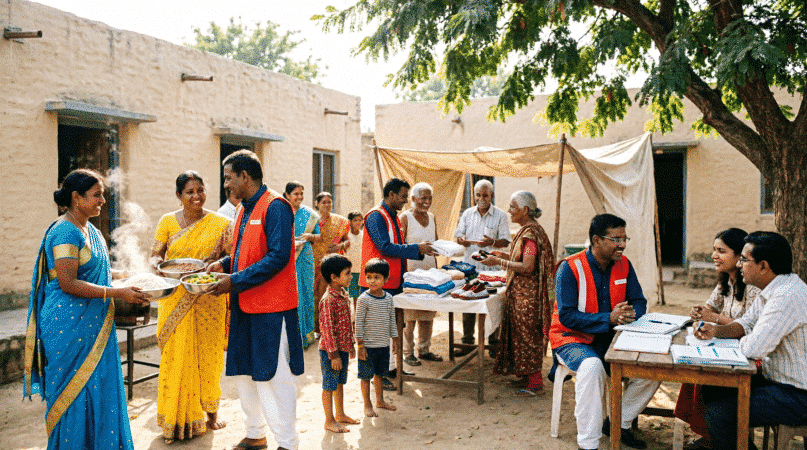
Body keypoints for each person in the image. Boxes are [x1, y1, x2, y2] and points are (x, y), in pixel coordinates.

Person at [24, 168, 150, 450]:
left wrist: (134, 276)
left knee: (99, 389)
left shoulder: (89, 229)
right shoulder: (65, 231)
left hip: (94, 323)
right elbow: (68, 282)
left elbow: (97, 270)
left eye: (103, 195)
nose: (102, 201)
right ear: (76, 198)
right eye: (96, 195)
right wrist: (118, 292)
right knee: (75, 394)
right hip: (68, 325)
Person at [206, 150, 304, 450]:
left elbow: (278, 257)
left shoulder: (276, 207)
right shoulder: (243, 209)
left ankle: (288, 443)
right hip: (245, 304)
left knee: (275, 377)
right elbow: (243, 252)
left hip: (271, 309)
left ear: (245, 177)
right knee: (245, 373)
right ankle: (255, 433)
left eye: (228, 177)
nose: (226, 184)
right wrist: (223, 264)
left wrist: (233, 280)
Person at [548, 213, 660, 450]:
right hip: (572, 340)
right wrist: (608, 318)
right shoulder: (568, 268)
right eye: (616, 239)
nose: (622, 244)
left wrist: (631, 313)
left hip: (612, 339)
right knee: (592, 368)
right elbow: (567, 316)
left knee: (653, 367)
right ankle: (588, 445)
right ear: (596, 240)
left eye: (624, 238)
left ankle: (619, 423)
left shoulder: (624, 264)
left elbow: (639, 300)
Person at [694, 231, 807, 450]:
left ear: (763, 266)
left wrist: (744, 337)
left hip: (797, 394)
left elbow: (753, 347)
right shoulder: (772, 289)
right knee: (712, 386)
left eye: (744, 260)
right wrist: (715, 331)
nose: (739, 265)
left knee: (719, 416)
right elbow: (745, 323)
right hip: (776, 381)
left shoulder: (786, 296)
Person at [150, 171, 232, 443]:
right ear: (179, 196)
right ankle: (175, 417)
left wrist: (219, 264)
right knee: (176, 356)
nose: (196, 196)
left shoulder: (221, 223)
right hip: (175, 296)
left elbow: (234, 254)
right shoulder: (167, 222)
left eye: (200, 190)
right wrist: (155, 268)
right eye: (189, 192)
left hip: (208, 295)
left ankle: (210, 412)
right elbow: (155, 255)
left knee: (209, 355)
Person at [674, 228, 760, 450]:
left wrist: (714, 318)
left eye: (721, 251)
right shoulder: (726, 280)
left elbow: (748, 326)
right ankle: (712, 436)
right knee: (697, 374)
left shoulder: (751, 285)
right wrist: (700, 313)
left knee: (711, 383)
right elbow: (710, 306)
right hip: (728, 347)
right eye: (714, 250)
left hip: (746, 354)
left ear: (739, 255)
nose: (714, 256)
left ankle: (721, 438)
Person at [360, 178, 436, 388]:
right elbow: (385, 247)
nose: (405, 201)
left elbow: (399, 246)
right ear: (391, 194)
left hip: (393, 282)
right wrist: (416, 249)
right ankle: (379, 376)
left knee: (393, 329)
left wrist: (417, 251)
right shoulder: (376, 216)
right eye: (403, 196)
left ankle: (393, 367)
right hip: (375, 285)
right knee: (378, 333)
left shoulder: (392, 216)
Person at [480, 191, 553, 396]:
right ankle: (525, 376)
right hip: (521, 294)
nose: (509, 210)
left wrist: (499, 262)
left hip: (527, 297)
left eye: (512, 207)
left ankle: (535, 384)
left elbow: (528, 267)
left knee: (528, 337)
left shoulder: (530, 234)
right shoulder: (528, 231)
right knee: (521, 336)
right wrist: (501, 254)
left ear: (525, 210)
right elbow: (521, 258)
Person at [453, 179, 511, 357]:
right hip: (470, 267)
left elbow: (506, 240)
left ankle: (493, 344)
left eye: (485, 195)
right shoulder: (468, 214)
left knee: (493, 305)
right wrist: (461, 239)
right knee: (468, 300)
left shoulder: (500, 215)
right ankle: (468, 342)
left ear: (491, 196)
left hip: (491, 270)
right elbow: (458, 235)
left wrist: (491, 242)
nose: (481, 198)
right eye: (478, 195)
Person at [399, 182, 443, 366]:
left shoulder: (432, 217)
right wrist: (419, 247)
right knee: (410, 315)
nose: (427, 202)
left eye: (429, 198)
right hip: (411, 272)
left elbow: (436, 241)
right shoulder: (405, 218)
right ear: (413, 199)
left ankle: (424, 349)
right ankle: (408, 353)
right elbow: (400, 246)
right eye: (423, 198)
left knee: (427, 313)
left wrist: (439, 248)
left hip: (430, 271)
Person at [317, 254, 359, 433]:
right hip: (330, 352)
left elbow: (346, 324)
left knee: (339, 382)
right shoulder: (328, 300)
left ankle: (340, 414)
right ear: (334, 277)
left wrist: (351, 345)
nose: (351, 276)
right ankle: (329, 420)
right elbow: (327, 330)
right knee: (329, 385)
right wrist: (333, 356)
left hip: (342, 349)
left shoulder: (343, 294)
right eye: (347, 273)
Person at [356, 258, 400, 417]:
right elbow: (358, 324)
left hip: (383, 345)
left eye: (377, 277)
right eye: (369, 277)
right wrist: (360, 346)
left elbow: (391, 320)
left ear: (386, 279)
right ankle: (367, 405)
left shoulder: (388, 298)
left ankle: (380, 401)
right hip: (367, 347)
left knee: (380, 374)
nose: (372, 281)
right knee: (366, 376)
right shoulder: (363, 300)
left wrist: (395, 339)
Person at [284, 181, 321, 349]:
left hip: (305, 256)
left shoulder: (310, 215)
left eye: (301, 194)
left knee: (306, 292)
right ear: (287, 195)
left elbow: (318, 236)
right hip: (286, 257)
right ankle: (293, 337)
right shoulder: (282, 212)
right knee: (291, 294)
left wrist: (309, 236)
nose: (299, 197)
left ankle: (306, 335)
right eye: (295, 194)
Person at [312, 191, 350, 332]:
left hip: (332, 264)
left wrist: (339, 246)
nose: (327, 205)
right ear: (317, 204)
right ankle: (317, 329)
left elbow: (347, 241)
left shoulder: (340, 222)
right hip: (313, 262)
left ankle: (330, 327)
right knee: (315, 296)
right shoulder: (312, 221)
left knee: (331, 295)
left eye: (329, 202)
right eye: (324, 202)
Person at [344, 210, 364, 307]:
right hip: (349, 271)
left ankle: (357, 320)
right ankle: (349, 319)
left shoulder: (364, 235)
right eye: (355, 220)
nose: (358, 222)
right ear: (350, 221)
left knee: (358, 298)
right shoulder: (346, 236)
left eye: (360, 220)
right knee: (348, 297)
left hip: (360, 270)